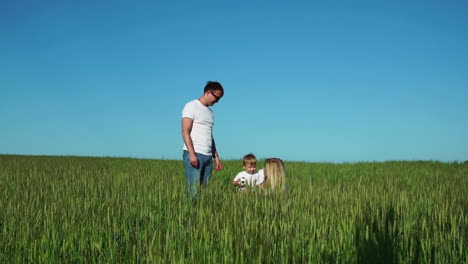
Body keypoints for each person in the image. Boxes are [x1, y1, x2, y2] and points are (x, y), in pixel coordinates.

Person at [181, 81, 224, 199]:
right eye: (216, 98)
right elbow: (185, 131)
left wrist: (216, 156)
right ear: (208, 92)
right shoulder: (191, 106)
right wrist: (192, 154)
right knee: (193, 191)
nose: (217, 101)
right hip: (195, 154)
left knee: (205, 192)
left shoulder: (210, 113)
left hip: (208, 156)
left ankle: (200, 216)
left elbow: (210, 135)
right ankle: (190, 216)